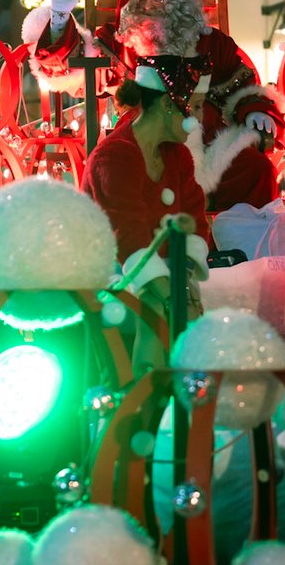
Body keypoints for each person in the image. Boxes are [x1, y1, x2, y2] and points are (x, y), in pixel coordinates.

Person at [27, 0, 281, 212]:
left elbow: (242, 82)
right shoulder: (118, 42)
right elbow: (75, 66)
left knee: (256, 169)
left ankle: (244, 244)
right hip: (143, 137)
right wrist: (59, 18)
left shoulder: (212, 42)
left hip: (208, 140)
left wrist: (255, 109)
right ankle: (136, 243)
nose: (155, 4)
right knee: (116, 171)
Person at [83, 58, 212, 371]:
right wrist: (172, 295)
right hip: (116, 272)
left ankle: (184, 398)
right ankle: (146, 398)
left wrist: (182, 279)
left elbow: (194, 217)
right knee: (156, 307)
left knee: (182, 308)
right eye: (193, 108)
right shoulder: (115, 155)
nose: (198, 118)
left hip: (163, 268)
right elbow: (126, 235)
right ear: (169, 105)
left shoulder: (176, 155)